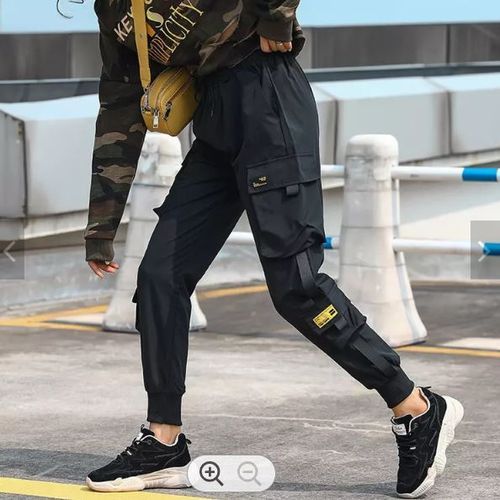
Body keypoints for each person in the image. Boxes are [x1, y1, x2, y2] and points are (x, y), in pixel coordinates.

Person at [82, 0, 464, 497]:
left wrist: (276, 17)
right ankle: (163, 440)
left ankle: (416, 407)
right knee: (159, 277)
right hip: (214, 126)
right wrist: (101, 224)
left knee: (296, 288)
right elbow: (119, 105)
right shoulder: (112, 10)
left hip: (267, 99)